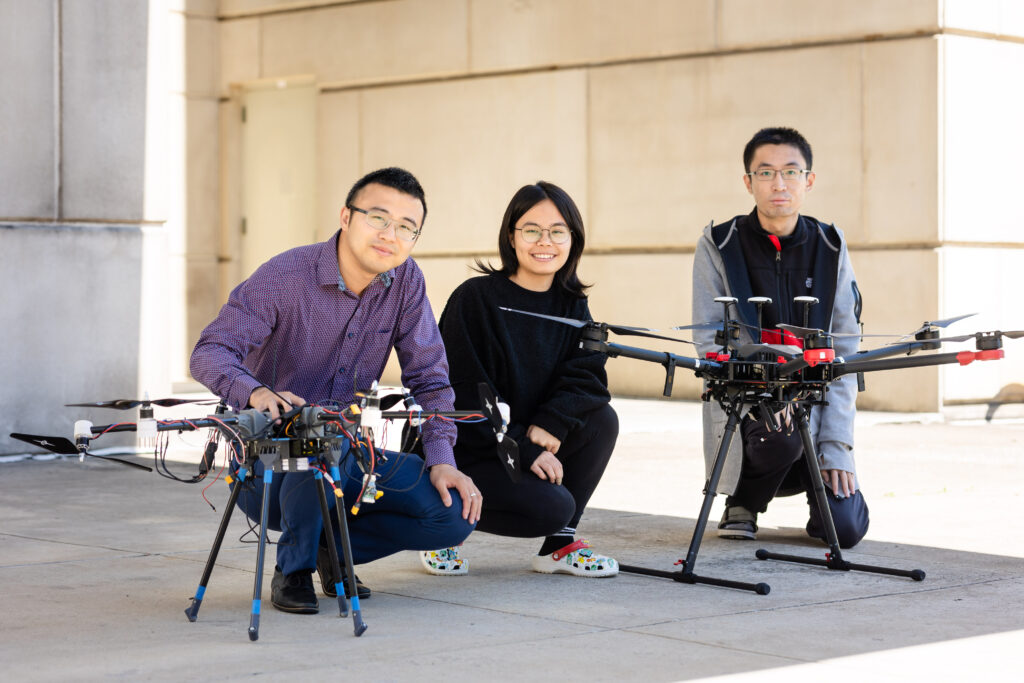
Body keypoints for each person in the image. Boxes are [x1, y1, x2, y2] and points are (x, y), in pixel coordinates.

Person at [190, 167, 482, 614]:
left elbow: (430, 379)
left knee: (451, 512)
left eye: (407, 227)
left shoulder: (405, 282)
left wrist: (442, 459)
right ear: (346, 216)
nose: (391, 235)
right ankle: (293, 569)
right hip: (269, 466)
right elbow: (210, 352)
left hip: (351, 454)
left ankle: (329, 549)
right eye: (378, 218)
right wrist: (256, 393)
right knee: (317, 447)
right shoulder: (286, 275)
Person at [420, 181, 620, 578]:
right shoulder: (475, 299)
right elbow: (463, 393)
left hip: (530, 438)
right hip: (474, 449)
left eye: (557, 231)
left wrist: (554, 421)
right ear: (511, 236)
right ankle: (445, 527)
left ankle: (559, 547)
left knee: (603, 419)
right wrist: (525, 446)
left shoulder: (573, 304)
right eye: (531, 230)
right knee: (550, 506)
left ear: (572, 239)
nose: (544, 241)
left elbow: (587, 377)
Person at [691, 127, 869, 548]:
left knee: (844, 531)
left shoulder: (830, 243)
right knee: (779, 434)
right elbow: (708, 341)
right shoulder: (719, 243)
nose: (779, 183)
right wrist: (771, 391)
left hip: (819, 406)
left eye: (791, 171)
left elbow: (846, 351)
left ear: (809, 180)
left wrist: (837, 444)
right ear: (748, 182)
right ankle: (745, 501)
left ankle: (819, 491)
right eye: (765, 172)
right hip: (754, 408)